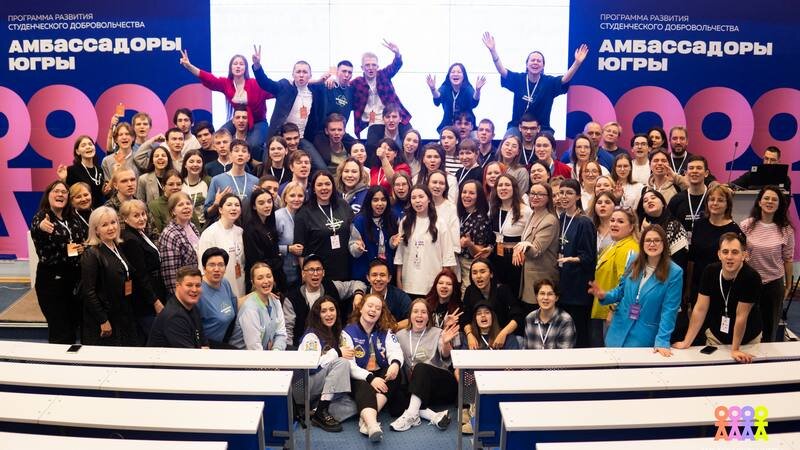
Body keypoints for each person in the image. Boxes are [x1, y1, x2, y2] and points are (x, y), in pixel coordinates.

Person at [588, 224, 682, 354]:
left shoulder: (674, 272)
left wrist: (662, 341)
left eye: (657, 240)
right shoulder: (634, 260)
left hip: (644, 336)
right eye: (648, 240)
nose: (652, 244)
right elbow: (621, 291)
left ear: (664, 244)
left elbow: (669, 310)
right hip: (618, 329)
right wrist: (605, 295)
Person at [673, 233, 763, 363]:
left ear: (744, 255)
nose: (729, 257)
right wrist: (686, 342)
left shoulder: (751, 277)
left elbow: (741, 316)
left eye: (735, 252)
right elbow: (700, 309)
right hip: (717, 336)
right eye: (725, 252)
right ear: (719, 254)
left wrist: (735, 349)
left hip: (747, 340)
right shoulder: (710, 271)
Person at [482, 32, 588, 134]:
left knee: (546, 143)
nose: (535, 63)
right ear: (527, 64)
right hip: (517, 126)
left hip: (542, 128)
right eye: (532, 60)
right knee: (509, 140)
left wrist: (577, 63)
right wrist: (493, 51)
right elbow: (502, 71)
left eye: (539, 61)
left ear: (543, 66)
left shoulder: (549, 82)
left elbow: (564, 79)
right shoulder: (519, 79)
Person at [180, 51, 272, 154]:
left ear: (245, 68)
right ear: (231, 68)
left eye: (241, 64)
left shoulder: (255, 84)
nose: (238, 66)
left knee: (253, 145)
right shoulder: (226, 83)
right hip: (238, 120)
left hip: (258, 121)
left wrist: (258, 66)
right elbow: (209, 78)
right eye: (235, 64)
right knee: (218, 138)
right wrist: (189, 66)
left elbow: (272, 89)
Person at [31, 180, 87, 343]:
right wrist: (41, 227)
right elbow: (37, 228)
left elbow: (78, 242)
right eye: (56, 191)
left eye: (64, 192)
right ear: (48, 195)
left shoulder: (72, 217)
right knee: (60, 330)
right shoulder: (42, 217)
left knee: (73, 324)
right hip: (52, 281)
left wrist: (82, 247)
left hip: (74, 279)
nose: (60, 194)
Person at [343, 293, 404, 442]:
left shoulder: (385, 332)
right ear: (361, 308)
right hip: (359, 375)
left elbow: (396, 351)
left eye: (378, 308)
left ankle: (366, 419)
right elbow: (349, 365)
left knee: (395, 374)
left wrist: (395, 364)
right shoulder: (348, 332)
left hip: (379, 372)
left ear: (381, 313)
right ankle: (372, 425)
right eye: (370, 306)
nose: (373, 310)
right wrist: (370, 378)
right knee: (364, 386)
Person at [390, 299, 456, 432]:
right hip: (418, 388)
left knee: (420, 367)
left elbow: (446, 356)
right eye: (415, 311)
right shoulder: (400, 336)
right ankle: (433, 416)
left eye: (423, 312)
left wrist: (446, 343)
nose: (419, 315)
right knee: (395, 404)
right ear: (410, 316)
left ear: (428, 316)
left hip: (441, 384)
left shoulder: (438, 332)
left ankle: (411, 414)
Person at [740, 186, 794, 342]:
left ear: (779, 204)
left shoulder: (786, 230)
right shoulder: (746, 225)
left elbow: (788, 259)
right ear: (759, 202)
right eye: (766, 198)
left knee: (770, 328)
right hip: (749, 282)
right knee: (746, 324)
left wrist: (788, 286)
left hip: (773, 284)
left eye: (774, 199)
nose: (770, 202)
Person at [81, 206, 138, 346]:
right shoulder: (91, 254)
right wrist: (103, 320)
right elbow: (89, 292)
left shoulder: (116, 246)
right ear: (96, 230)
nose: (111, 228)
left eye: (113, 222)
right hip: (105, 317)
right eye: (105, 225)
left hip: (122, 312)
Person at [251, 47, 328, 147]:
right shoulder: (285, 87)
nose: (301, 75)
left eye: (305, 72)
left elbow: (330, 83)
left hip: (302, 138)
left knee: (316, 158)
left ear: (310, 75)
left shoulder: (315, 91)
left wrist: (332, 80)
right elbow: (266, 83)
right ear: (293, 74)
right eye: (298, 72)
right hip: (280, 138)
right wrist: (257, 66)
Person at [297, 296, 353, 432]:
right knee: (342, 362)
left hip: (322, 389)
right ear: (317, 315)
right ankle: (321, 412)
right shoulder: (311, 336)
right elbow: (311, 367)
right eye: (324, 311)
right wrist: (336, 352)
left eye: (332, 310)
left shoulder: (340, 334)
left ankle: (315, 411)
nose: (329, 314)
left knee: (353, 405)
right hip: (305, 385)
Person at [284, 254, 366, 347]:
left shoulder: (333, 287)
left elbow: (359, 284)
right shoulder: (292, 298)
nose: (315, 273)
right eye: (311, 270)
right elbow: (287, 330)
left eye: (318, 269)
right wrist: (291, 351)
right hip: (304, 348)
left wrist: (358, 294)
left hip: (333, 346)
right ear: (303, 273)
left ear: (323, 273)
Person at [555, 179, 597, 348]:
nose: (564, 196)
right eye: (561, 193)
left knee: (579, 332)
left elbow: (589, 257)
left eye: (569, 193)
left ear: (578, 196)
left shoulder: (584, 222)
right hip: (564, 283)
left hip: (578, 287)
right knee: (565, 333)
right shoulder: (562, 217)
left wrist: (572, 259)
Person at [394, 185, 457, 298]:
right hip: (409, 282)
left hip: (432, 283)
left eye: (421, 197)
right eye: (413, 198)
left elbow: (447, 257)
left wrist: (443, 283)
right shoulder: (405, 222)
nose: (417, 201)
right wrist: (399, 280)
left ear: (428, 199)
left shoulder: (440, 223)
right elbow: (400, 255)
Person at [591, 207, 640, 347]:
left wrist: (612, 310)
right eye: (612, 220)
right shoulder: (614, 245)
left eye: (620, 221)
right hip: (602, 309)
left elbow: (626, 286)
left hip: (613, 315)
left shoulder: (629, 249)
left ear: (631, 227)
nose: (614, 224)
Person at [119, 199, 165, 343]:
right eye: (136, 216)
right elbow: (141, 275)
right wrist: (155, 301)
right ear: (125, 218)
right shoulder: (130, 239)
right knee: (154, 338)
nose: (142, 218)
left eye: (143, 214)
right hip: (145, 299)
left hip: (153, 290)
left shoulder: (139, 233)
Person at [687, 185, 741, 307]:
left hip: (721, 286)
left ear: (728, 204)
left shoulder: (734, 230)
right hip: (698, 283)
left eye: (720, 200)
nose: (715, 203)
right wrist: (688, 288)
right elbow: (692, 258)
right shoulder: (699, 224)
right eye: (711, 199)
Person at [295, 171, 355, 280]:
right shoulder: (304, 212)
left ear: (333, 186)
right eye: (319, 185)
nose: (324, 188)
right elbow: (301, 251)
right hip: (318, 274)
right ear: (313, 188)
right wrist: (306, 276)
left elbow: (354, 233)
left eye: (327, 184)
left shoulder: (343, 205)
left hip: (346, 270)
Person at [351, 40, 412, 138]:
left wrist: (397, 54)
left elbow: (395, 66)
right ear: (362, 67)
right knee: (372, 144)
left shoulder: (383, 75)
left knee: (411, 136)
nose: (371, 68)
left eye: (373, 65)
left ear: (377, 67)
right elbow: (344, 86)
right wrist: (333, 79)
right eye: (367, 65)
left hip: (392, 116)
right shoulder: (357, 83)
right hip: (373, 121)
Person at [515, 182, 559, 313]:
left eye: (540, 194)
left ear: (548, 197)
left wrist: (525, 246)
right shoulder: (533, 214)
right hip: (529, 276)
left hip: (541, 277)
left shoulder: (549, 220)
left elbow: (536, 251)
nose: (535, 197)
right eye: (533, 193)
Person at [460, 258, 524, 348]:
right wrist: (469, 335)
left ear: (491, 274)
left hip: (502, 335)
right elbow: (465, 318)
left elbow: (517, 316)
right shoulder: (470, 291)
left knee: (519, 340)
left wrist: (503, 333)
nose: (478, 276)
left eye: (482, 272)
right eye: (474, 273)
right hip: (480, 337)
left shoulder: (502, 290)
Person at [229, 262, 288, 350]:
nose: (266, 281)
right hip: (245, 356)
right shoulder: (250, 309)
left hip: (268, 353)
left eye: (269, 276)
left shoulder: (275, 301)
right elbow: (254, 348)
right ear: (253, 282)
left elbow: (281, 334)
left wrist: (276, 350)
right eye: (260, 278)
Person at [490, 174, 532, 297]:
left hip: (516, 258)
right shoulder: (494, 209)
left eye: (507, 185)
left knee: (514, 293)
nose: (503, 188)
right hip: (497, 255)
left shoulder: (525, 211)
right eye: (500, 185)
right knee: (499, 293)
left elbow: (531, 236)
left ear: (514, 188)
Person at [147, 266, 208, 348]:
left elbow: (203, 341)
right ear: (177, 286)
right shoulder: (174, 317)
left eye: (198, 285)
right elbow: (190, 353)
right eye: (189, 285)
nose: (194, 290)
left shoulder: (192, 307)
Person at [199, 193, 245, 297]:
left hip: (239, 283)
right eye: (229, 205)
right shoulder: (210, 233)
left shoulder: (240, 232)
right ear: (220, 210)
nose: (234, 208)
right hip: (217, 288)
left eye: (237, 205)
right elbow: (203, 268)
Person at [350, 186, 398, 282]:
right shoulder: (359, 220)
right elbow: (353, 249)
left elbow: (391, 247)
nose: (380, 203)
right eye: (375, 200)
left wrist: (392, 244)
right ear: (369, 202)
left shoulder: (393, 218)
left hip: (386, 275)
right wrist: (358, 248)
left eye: (383, 200)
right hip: (364, 275)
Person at [204, 139, 260, 220]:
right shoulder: (217, 180)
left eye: (244, 151)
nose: (240, 154)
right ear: (230, 155)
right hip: (225, 226)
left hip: (249, 226)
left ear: (248, 157)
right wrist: (216, 204)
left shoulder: (255, 181)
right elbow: (207, 213)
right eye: (236, 151)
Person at [243, 188, 285, 293]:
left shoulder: (269, 223)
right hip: (260, 279)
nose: (267, 206)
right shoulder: (251, 228)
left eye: (269, 202)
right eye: (261, 203)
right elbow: (256, 260)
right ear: (254, 206)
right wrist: (278, 260)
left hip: (274, 275)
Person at [158, 192, 200, 296]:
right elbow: (170, 273)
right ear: (173, 211)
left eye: (188, 203)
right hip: (183, 292)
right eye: (180, 205)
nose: (186, 207)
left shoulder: (192, 226)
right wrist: (178, 297)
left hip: (195, 285)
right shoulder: (170, 234)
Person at [427, 62, 484, 134]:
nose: (455, 74)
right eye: (453, 72)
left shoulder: (467, 88)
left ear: (464, 76)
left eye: (459, 72)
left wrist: (478, 91)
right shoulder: (445, 87)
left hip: (466, 125)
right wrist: (433, 89)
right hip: (448, 125)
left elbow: (474, 102)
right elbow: (438, 98)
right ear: (449, 76)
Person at [198, 247, 238, 348]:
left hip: (225, 339)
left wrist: (259, 294)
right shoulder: (197, 291)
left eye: (221, 265)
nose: (216, 269)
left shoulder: (224, 283)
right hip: (206, 345)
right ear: (204, 268)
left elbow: (236, 304)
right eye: (211, 265)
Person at [639, 188, 689, 269]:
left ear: (663, 203)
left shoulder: (675, 226)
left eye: (653, 198)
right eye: (645, 201)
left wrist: (652, 231)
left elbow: (679, 261)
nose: (649, 201)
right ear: (643, 209)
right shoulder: (640, 227)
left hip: (669, 272)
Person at [457, 180, 492, 291]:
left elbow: (480, 254)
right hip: (457, 261)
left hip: (470, 264)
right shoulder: (460, 214)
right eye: (464, 192)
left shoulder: (481, 219)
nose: (467, 195)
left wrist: (469, 244)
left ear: (479, 196)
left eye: (471, 193)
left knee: (468, 292)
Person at [57, 135, 108, 207]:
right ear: (77, 151)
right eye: (83, 145)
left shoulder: (100, 170)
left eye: (90, 144)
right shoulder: (71, 170)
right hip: (81, 210)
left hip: (99, 210)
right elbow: (66, 193)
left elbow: (102, 194)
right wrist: (63, 179)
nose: (88, 147)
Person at [524, 279, 576, 349]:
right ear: (536, 296)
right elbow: (526, 350)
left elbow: (564, 354)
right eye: (542, 293)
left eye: (550, 294)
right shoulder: (530, 318)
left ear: (556, 298)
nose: (545, 298)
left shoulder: (565, 321)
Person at [667, 155, 710, 238]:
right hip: (682, 245)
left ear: (706, 173)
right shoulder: (676, 200)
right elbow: (668, 226)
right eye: (691, 168)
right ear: (686, 173)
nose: (694, 171)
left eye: (699, 168)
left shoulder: (712, 199)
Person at [276, 181, 305, 287]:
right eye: (292, 195)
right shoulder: (278, 216)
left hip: (303, 270)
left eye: (300, 196)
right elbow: (269, 247)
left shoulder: (307, 215)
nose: (296, 199)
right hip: (284, 272)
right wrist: (288, 248)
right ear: (285, 198)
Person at [147, 169, 183, 238]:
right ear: (163, 186)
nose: (175, 187)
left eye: (178, 184)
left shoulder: (186, 202)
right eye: (171, 184)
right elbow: (157, 233)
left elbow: (196, 228)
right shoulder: (154, 206)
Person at [181, 149, 211, 229]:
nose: (195, 164)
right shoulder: (180, 183)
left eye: (198, 162)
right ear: (185, 165)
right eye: (191, 161)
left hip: (205, 225)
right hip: (185, 225)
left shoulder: (208, 181)